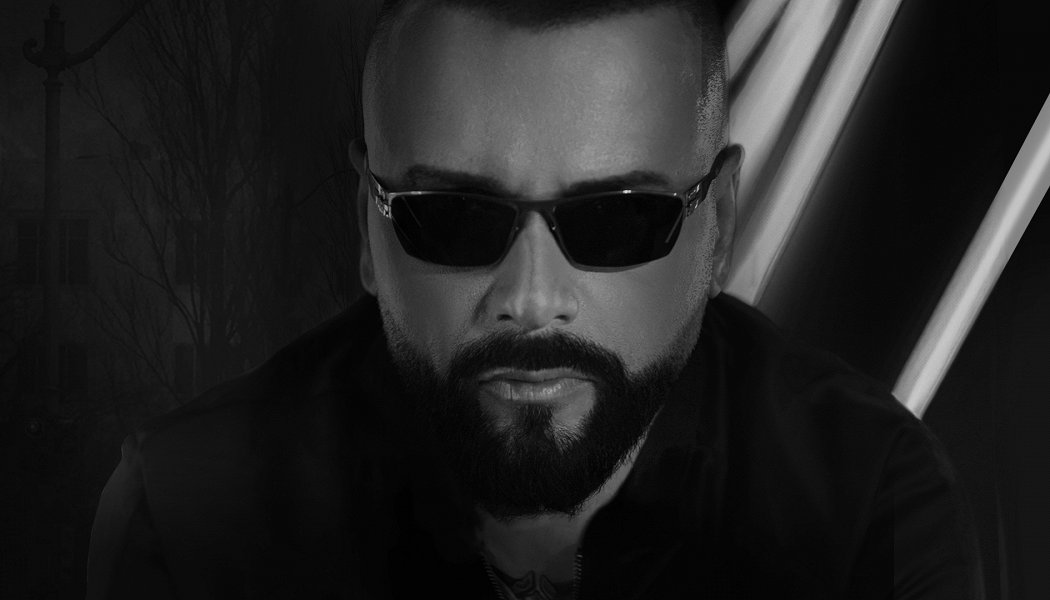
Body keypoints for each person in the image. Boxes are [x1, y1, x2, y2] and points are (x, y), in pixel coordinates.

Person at [87, 0, 984, 598]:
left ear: (717, 226)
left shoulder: (870, 510)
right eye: (454, 218)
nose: (531, 297)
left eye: (617, 221)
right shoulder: (192, 520)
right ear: (366, 225)